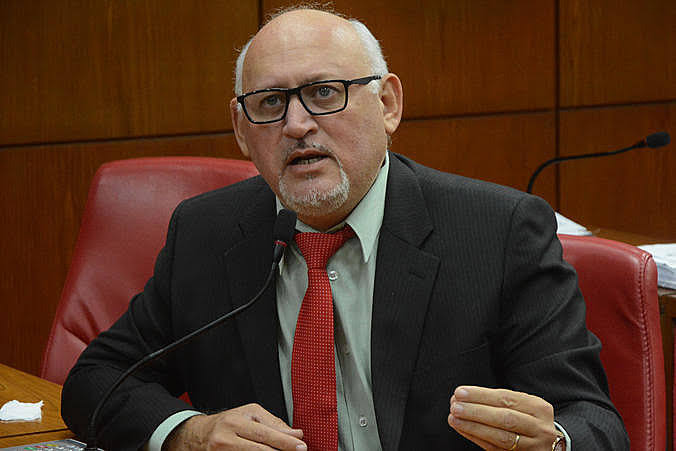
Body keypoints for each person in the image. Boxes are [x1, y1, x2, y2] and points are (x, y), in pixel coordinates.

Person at [61, 6, 629, 451]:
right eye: (270, 102)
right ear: (241, 129)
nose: (297, 125)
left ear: (387, 104)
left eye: (324, 93)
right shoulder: (206, 234)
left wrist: (555, 442)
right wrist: (190, 433)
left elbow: (595, 422)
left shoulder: (497, 232)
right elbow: (97, 379)